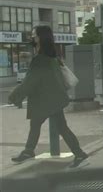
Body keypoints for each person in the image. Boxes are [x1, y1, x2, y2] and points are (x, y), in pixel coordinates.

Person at [8, 26, 88, 168]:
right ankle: (30, 151)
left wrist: (14, 96)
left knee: (49, 126)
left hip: (46, 101)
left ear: (40, 38)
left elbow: (30, 82)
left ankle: (78, 154)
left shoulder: (40, 59)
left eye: (34, 35)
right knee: (47, 126)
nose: (32, 38)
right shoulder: (51, 56)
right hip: (52, 99)